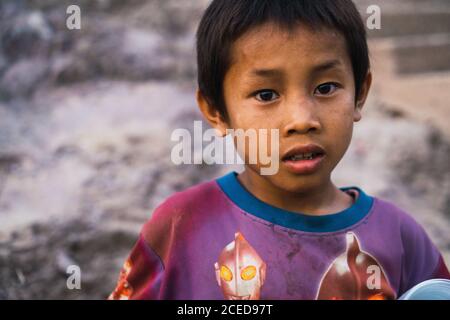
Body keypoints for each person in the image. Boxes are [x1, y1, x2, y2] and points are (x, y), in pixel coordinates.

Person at [109, 0, 450, 300]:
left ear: (360, 94)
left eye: (326, 87)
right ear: (216, 111)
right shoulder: (182, 227)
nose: (301, 120)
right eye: (266, 95)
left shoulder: (401, 239)